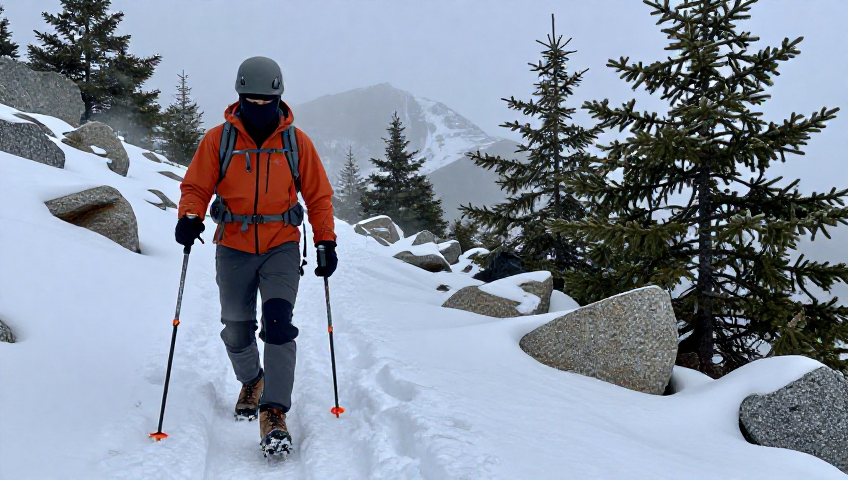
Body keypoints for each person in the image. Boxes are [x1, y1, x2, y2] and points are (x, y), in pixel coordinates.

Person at [174, 56, 338, 457]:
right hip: (233, 244)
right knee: (236, 328)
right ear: (240, 96)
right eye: (251, 100)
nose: (260, 107)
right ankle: (252, 380)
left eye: (267, 101)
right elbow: (196, 186)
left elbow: (318, 196)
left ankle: (274, 412)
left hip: (281, 243)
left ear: (279, 97)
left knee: (279, 324)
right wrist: (190, 216)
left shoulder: (296, 143)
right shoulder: (219, 139)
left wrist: (326, 241)